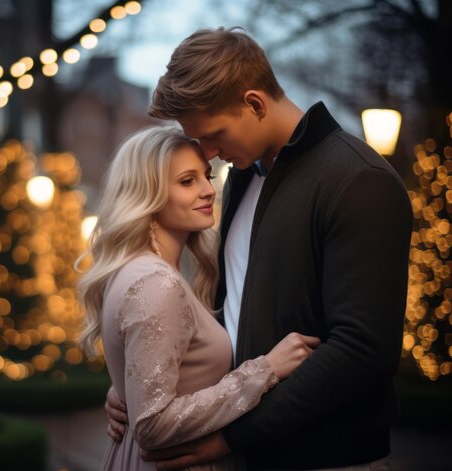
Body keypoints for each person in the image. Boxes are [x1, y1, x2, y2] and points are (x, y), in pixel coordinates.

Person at [104, 27, 413, 470]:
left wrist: (231, 438)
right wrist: (143, 380)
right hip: (248, 455)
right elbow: (233, 314)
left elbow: (364, 352)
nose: (206, 154)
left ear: (254, 103)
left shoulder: (359, 180)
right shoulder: (243, 178)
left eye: (213, 135)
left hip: (324, 459)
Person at [77, 125, 321, 470]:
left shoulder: (141, 271)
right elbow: (153, 425)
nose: (209, 190)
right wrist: (266, 370)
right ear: (147, 193)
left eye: (206, 177)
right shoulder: (155, 282)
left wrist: (129, 391)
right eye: (187, 181)